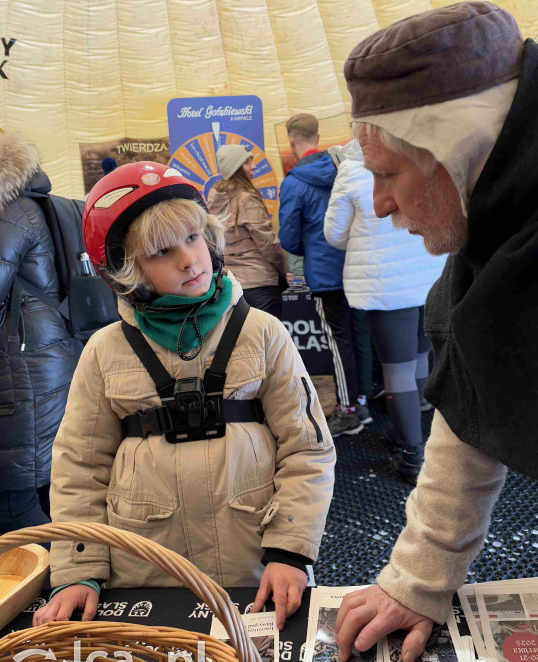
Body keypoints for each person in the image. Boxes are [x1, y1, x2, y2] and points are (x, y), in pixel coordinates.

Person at [334, 1, 538, 662]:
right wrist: (418, 578)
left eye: (389, 174)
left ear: (453, 150)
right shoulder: (504, 209)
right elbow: (471, 394)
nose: (378, 205)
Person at [33, 161, 335, 631]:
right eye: (161, 251)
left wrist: (290, 551)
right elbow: (79, 466)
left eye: (194, 238)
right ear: (128, 272)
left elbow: (308, 449)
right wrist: (78, 570)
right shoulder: (105, 351)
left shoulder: (263, 333)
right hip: (146, 577)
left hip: (255, 571)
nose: (189, 259)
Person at [324, 139, 446, 482]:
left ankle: (412, 456)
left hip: (387, 283)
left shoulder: (352, 170)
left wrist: (364, 235)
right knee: (420, 359)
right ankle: (416, 428)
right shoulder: (420, 156)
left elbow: (333, 234)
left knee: (398, 372)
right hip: (430, 274)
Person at [0, 131, 83, 533]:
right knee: (46, 488)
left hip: (22, 370)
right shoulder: (37, 204)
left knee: (16, 503)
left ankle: (47, 584)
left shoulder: (6, 212)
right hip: (50, 355)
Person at [279, 113, 364, 438]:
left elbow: (288, 238)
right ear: (318, 135)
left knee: (337, 338)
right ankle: (360, 401)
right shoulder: (346, 166)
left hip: (325, 272)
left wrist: (309, 250)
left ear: (291, 140)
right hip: (356, 265)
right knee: (358, 335)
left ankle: (346, 410)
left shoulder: (295, 181)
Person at [208, 144, 287, 319]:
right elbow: (267, 243)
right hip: (260, 283)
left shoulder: (215, 200)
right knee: (268, 342)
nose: (254, 166)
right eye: (247, 162)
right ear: (236, 168)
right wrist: (283, 270)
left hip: (231, 285)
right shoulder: (246, 198)